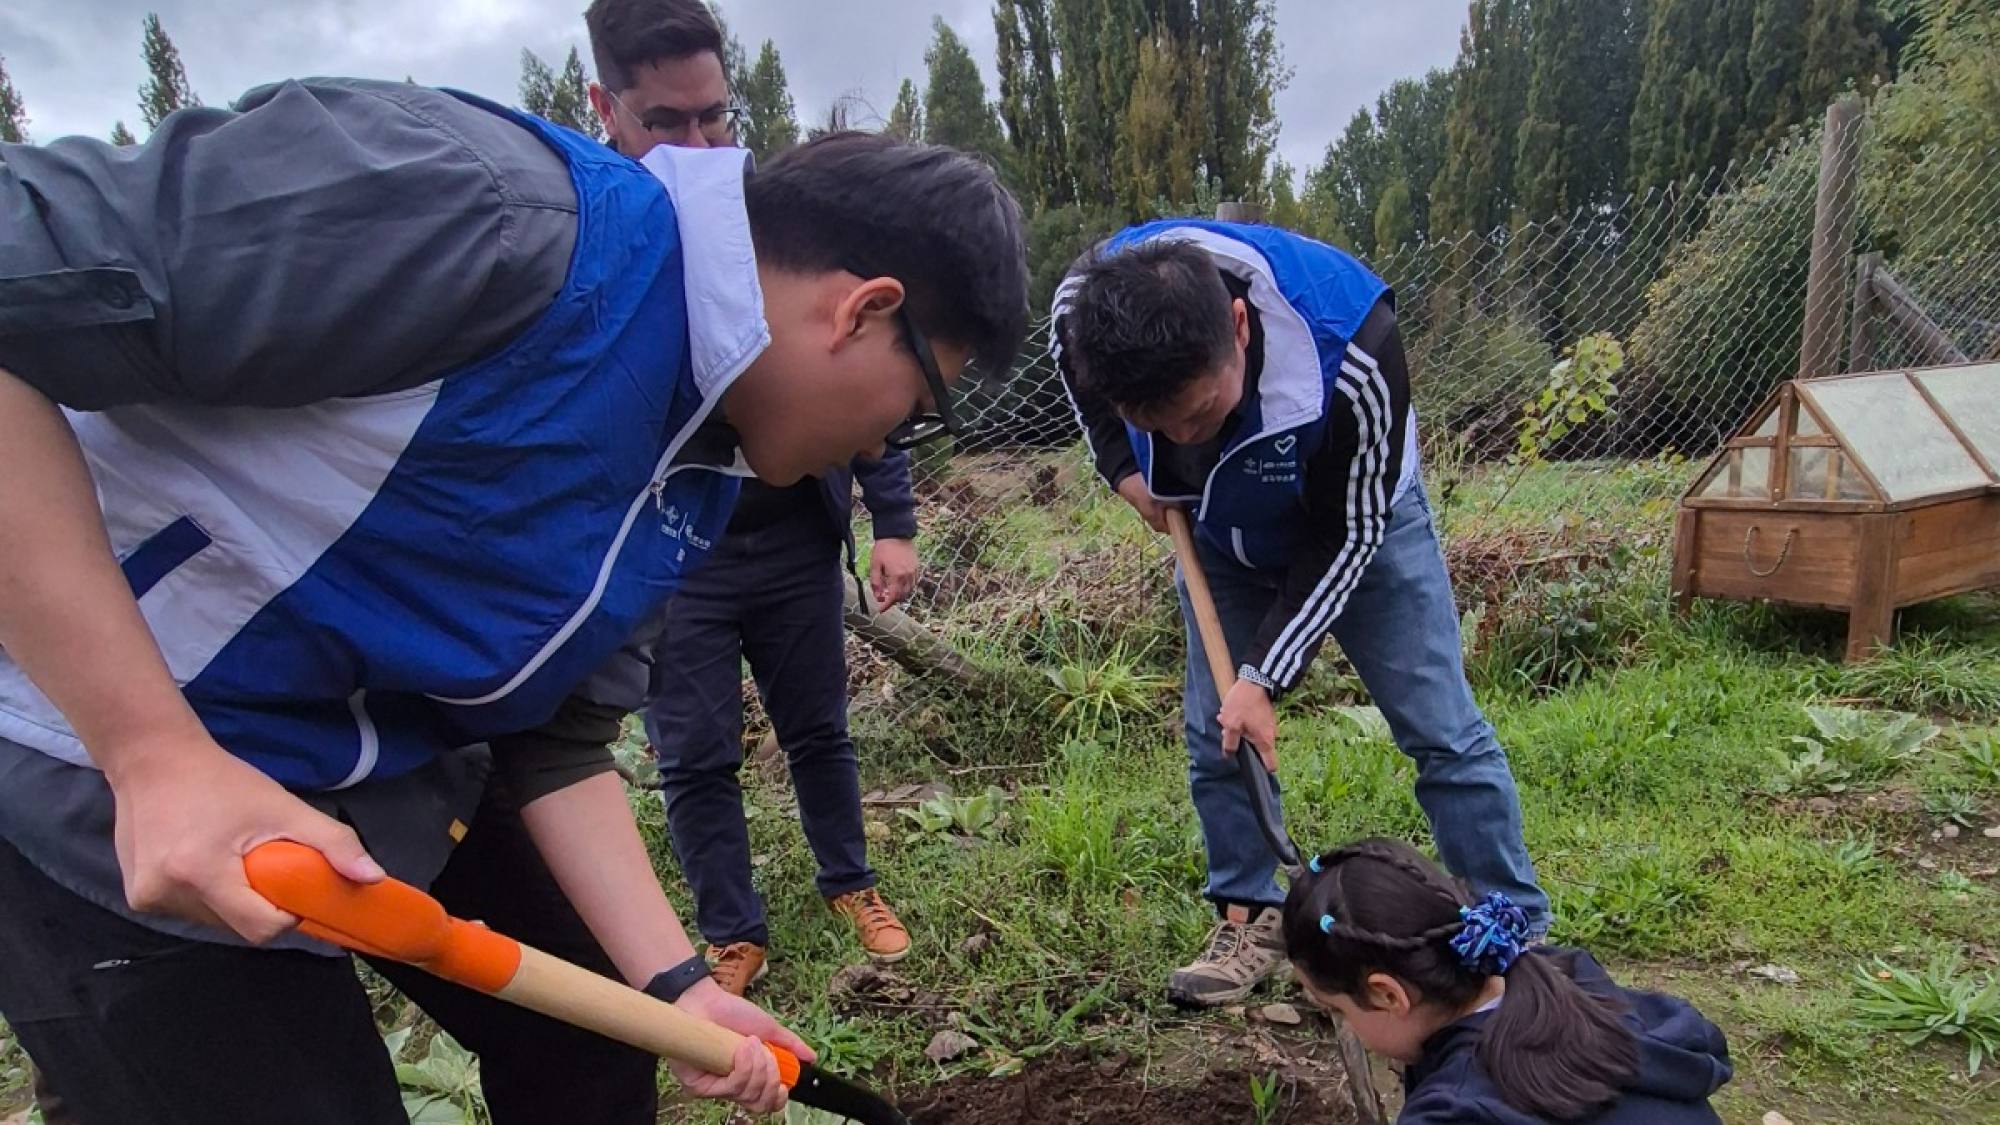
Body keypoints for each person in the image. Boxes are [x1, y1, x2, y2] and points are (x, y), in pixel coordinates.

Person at [0, 70, 1026, 1124]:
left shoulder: (706, 453)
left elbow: (560, 743)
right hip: (89, 757)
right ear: (864, 311)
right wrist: (151, 755)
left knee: (594, 1051)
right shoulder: (481, 209)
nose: (879, 450)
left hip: (380, 759)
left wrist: (679, 988)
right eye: (913, 411)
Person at [1053, 224, 1548, 1007]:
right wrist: (1124, 470)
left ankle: (1509, 933)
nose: (1187, 437)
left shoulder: (1352, 351)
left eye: (1201, 411)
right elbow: (1075, 372)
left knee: (1441, 729)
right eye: (1164, 427)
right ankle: (1249, 916)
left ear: (1239, 328)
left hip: (1359, 522)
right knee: (1217, 736)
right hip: (1217, 527)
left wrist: (1264, 674)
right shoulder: (1090, 304)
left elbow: (1348, 537)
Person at [584, 0, 919, 994]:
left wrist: (892, 520)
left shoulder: (772, 226)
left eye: (714, 119)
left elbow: (860, 368)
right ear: (605, 107)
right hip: (672, 556)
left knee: (819, 726)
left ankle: (848, 880)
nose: (697, 145)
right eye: (664, 123)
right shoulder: (591, 239)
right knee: (693, 754)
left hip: (792, 546)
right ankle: (733, 929)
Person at [1283, 839, 1731, 1123]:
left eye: (1336, 1009)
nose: (1343, 1025)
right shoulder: (1570, 978)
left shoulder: (1456, 1112)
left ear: (1388, 993)